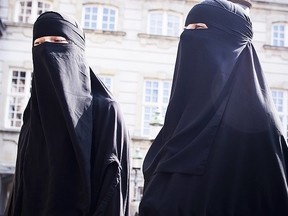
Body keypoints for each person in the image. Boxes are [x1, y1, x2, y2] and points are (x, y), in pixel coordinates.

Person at [139, 0, 288, 215]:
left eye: (200, 29)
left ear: (231, 40)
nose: (189, 38)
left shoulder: (259, 132)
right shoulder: (180, 122)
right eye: (186, 29)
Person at [5, 11, 130, 216]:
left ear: (77, 49)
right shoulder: (33, 116)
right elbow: (20, 189)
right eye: (39, 43)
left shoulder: (105, 111)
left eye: (57, 41)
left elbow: (112, 192)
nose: (46, 49)